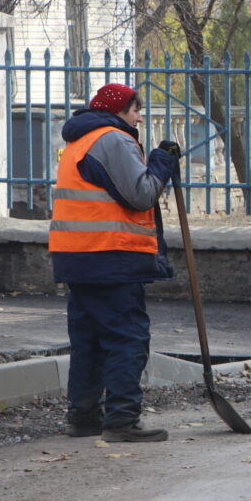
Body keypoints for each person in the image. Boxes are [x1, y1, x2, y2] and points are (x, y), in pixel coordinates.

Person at [49, 83, 181, 442]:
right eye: (135, 109)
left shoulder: (80, 140)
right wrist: (162, 162)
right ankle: (122, 421)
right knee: (127, 337)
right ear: (118, 110)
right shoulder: (113, 139)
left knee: (89, 340)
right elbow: (140, 195)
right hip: (111, 256)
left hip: (78, 256)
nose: (139, 117)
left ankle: (83, 417)